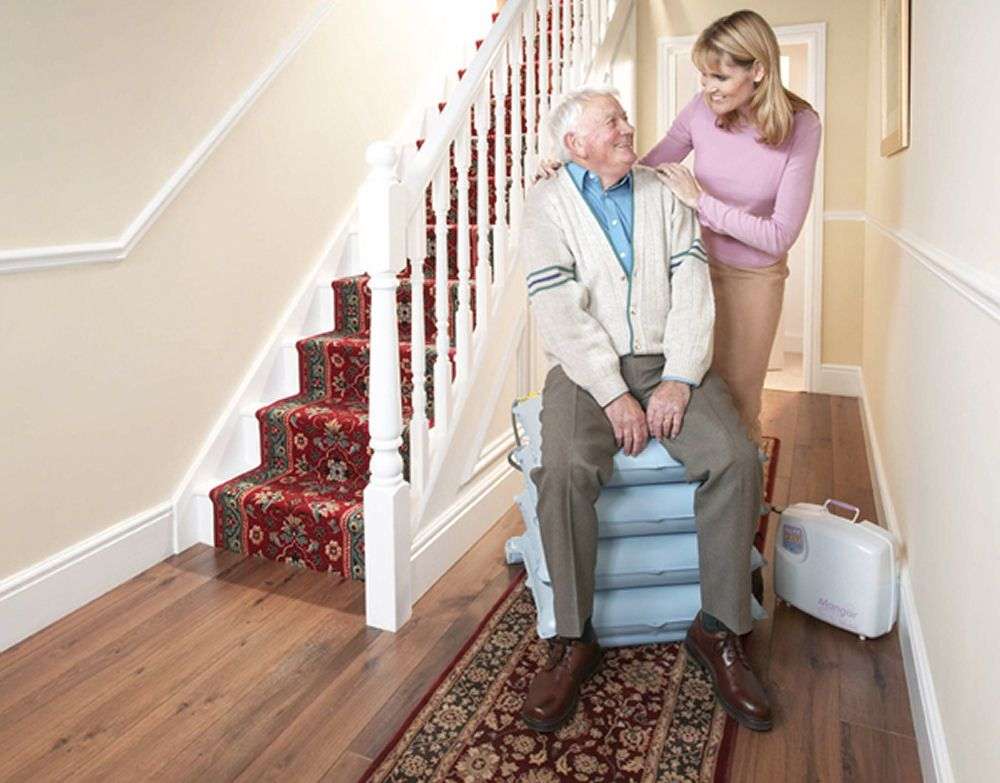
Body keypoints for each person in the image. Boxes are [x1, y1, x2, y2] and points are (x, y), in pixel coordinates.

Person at [517, 86, 772, 735]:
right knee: (568, 465)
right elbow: (559, 313)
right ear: (574, 144)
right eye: (613, 122)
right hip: (585, 368)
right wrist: (612, 391)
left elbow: (693, 290)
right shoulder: (546, 203)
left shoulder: (664, 192)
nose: (629, 127)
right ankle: (573, 637)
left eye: (627, 116)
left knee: (737, 457)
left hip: (668, 357)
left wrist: (681, 379)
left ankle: (718, 627)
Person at [537, 9, 822, 444]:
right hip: (686, 267)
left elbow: (780, 235)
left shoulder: (802, 125)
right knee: (688, 389)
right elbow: (643, 169)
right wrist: (575, 165)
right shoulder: (702, 110)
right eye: (703, 76)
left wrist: (701, 203)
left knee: (738, 402)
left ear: (758, 71)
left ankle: (743, 497)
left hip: (752, 279)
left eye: (719, 78)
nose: (707, 88)